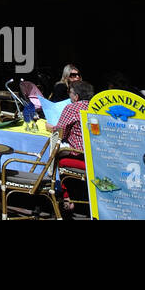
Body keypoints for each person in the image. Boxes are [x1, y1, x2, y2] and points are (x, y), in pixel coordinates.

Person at [51, 80, 94, 211]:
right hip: (95, 156)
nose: (69, 96)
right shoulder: (97, 108)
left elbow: (59, 133)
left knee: (54, 154)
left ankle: (66, 197)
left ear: (76, 96)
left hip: (79, 155)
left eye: (70, 93)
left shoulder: (72, 107)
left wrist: (50, 127)